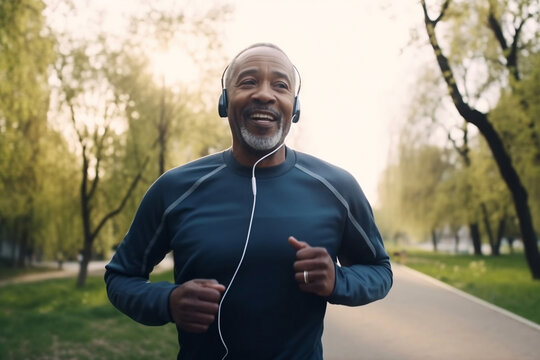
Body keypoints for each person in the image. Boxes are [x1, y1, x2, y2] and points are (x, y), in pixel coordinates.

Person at [104, 43, 392, 360]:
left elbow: (379, 271)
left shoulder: (337, 187)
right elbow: (120, 277)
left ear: (294, 107)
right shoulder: (174, 189)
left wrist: (338, 280)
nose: (265, 95)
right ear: (225, 101)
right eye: (249, 82)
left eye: (280, 85)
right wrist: (168, 301)